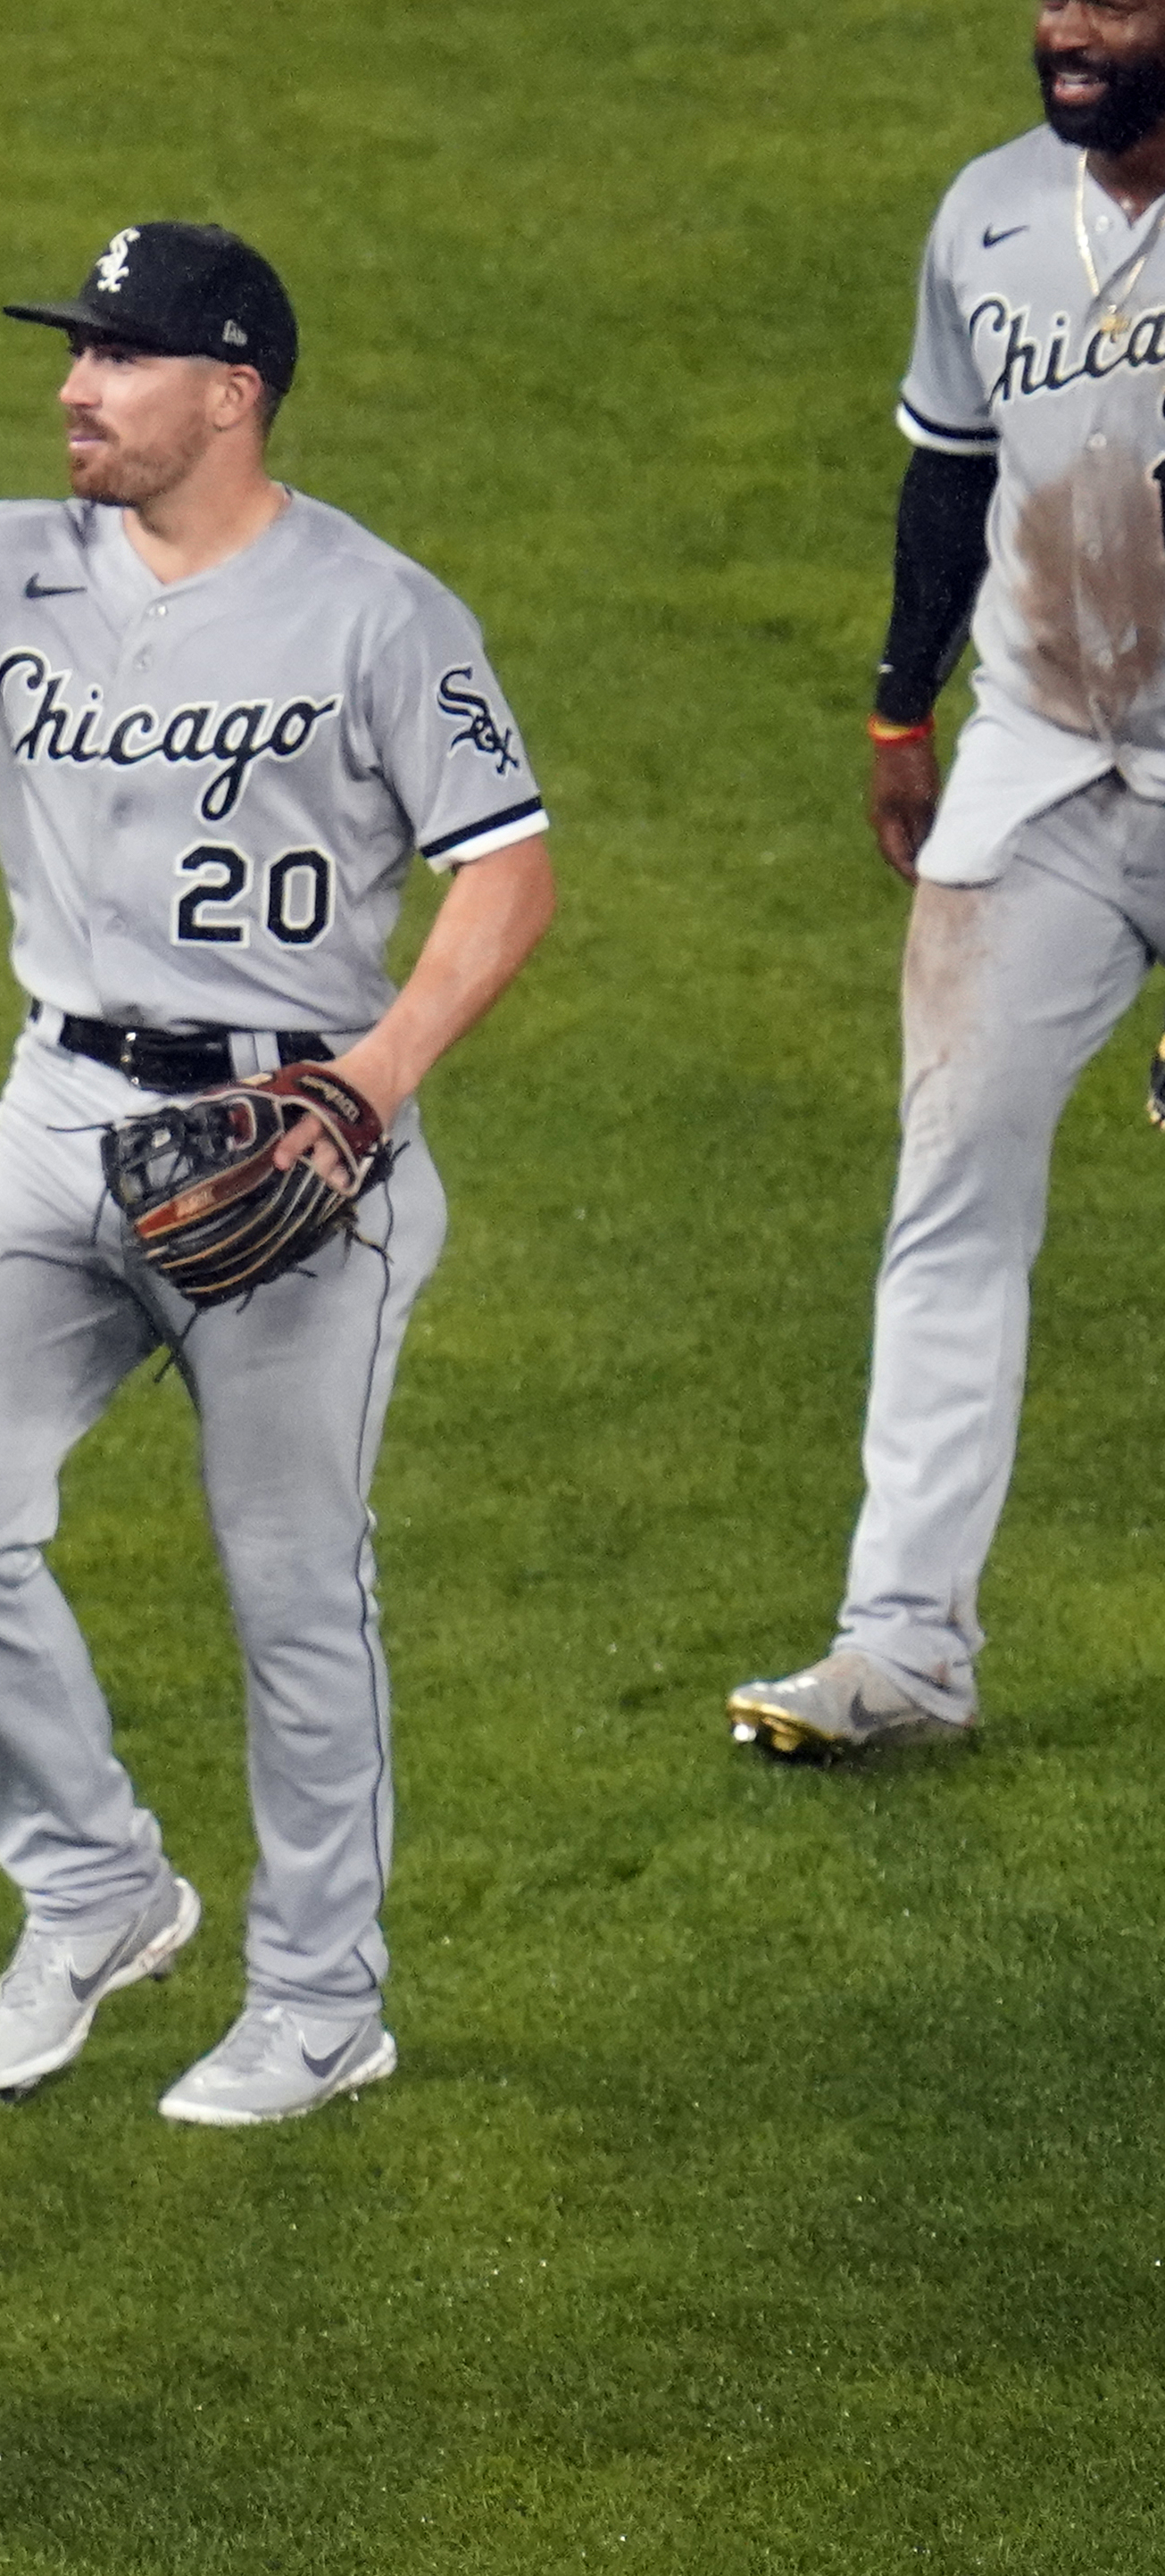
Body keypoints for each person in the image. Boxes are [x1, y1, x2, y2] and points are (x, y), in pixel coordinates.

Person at [0, 225, 554, 2124]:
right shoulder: (1, 564)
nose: (73, 383)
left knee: (290, 1584)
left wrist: (370, 1088)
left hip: (295, 1140)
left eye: (118, 356)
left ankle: (320, 1997)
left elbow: (506, 874)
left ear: (230, 390)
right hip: (58, 1117)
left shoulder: (379, 613)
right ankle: (96, 1887)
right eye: (72, 348)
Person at [726, 0, 1165, 1757]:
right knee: (950, 1193)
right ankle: (899, 1654)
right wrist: (898, 702)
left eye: (1114, 3)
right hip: (1039, 768)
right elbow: (948, 475)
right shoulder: (986, 210)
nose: (1069, 29)